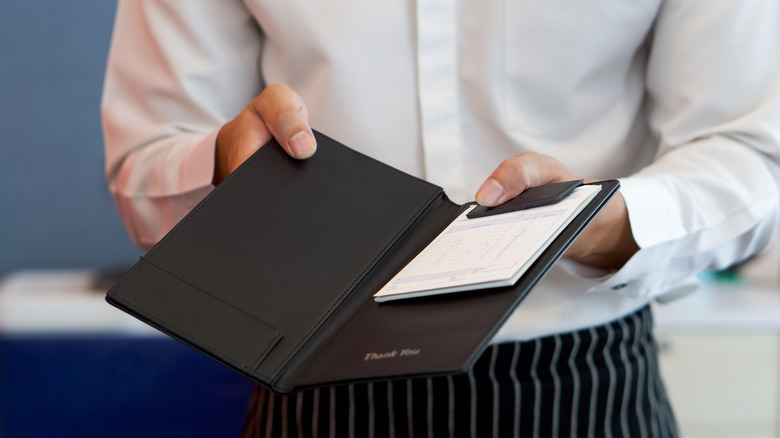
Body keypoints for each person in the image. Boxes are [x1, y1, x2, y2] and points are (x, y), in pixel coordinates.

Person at [102, 1, 780, 436]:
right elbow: (147, 159)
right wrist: (226, 167)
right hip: (311, 382)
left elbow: (751, 154)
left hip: (584, 382)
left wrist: (592, 221)